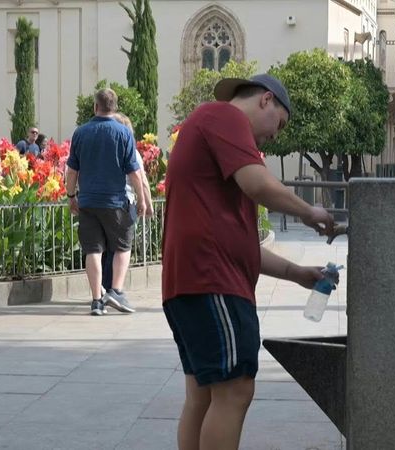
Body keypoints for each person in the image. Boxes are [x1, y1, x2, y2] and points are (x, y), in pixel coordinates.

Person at [162, 73, 335, 450]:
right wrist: (308, 210)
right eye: (280, 124)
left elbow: (238, 241)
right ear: (265, 100)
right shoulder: (224, 118)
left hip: (191, 281)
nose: (274, 138)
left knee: (204, 395)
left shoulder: (214, 134)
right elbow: (260, 185)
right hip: (213, 282)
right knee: (235, 391)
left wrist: (296, 273)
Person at [64, 88, 151, 316]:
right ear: (115, 107)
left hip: (88, 201)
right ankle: (116, 290)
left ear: (95, 106)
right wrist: (142, 200)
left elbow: (72, 170)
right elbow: (135, 173)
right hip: (116, 202)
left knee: (93, 250)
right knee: (122, 247)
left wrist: (71, 196)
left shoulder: (80, 133)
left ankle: (96, 301)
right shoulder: (123, 133)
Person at [100, 113, 154, 295]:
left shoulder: (102, 150)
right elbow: (141, 178)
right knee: (120, 247)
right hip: (124, 202)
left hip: (99, 202)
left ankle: (102, 288)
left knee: (104, 249)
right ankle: (112, 289)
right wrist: (146, 202)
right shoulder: (131, 150)